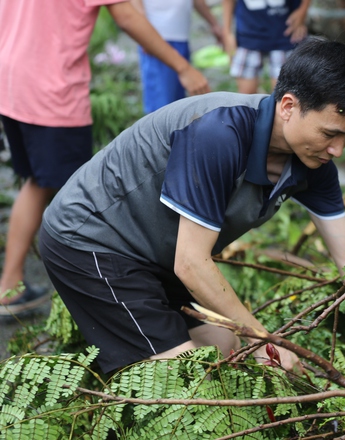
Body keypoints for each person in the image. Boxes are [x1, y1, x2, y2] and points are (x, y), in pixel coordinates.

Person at [38, 38, 345, 374]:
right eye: (330, 134)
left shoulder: (314, 161)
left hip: (158, 252)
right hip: (93, 241)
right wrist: (264, 340)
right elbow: (191, 263)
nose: (338, 150)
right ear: (288, 106)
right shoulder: (218, 134)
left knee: (227, 350)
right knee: (184, 382)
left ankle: (119, 348)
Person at [0, 0, 210, 317]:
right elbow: (126, 17)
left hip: (13, 83)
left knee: (37, 184)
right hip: (51, 90)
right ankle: (95, 297)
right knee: (82, 200)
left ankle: (9, 286)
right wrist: (183, 67)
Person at [130, 0, 224, 113]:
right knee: (161, 110)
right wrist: (143, 33)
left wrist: (214, 24)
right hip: (158, 42)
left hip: (181, 40)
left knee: (179, 108)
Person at [222, 0, 310, 94]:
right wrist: (227, 32)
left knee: (283, 94)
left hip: (286, 32)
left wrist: (302, 11)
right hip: (248, 33)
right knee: (246, 94)